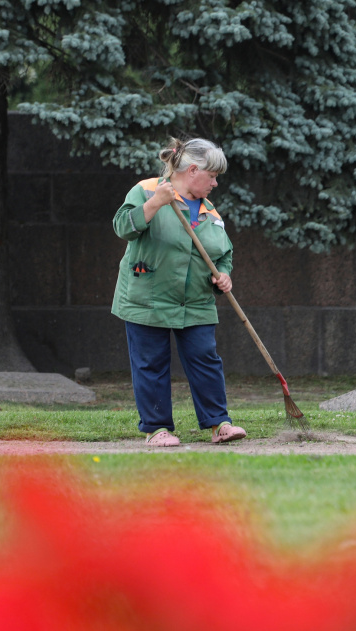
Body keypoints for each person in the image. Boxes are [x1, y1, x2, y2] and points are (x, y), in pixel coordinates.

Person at [111, 137, 248, 446]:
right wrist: (154, 203)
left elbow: (223, 253)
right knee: (151, 362)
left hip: (195, 301)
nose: (215, 183)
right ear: (193, 170)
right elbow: (122, 227)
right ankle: (156, 430)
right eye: (212, 176)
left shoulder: (210, 212)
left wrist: (224, 274)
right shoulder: (148, 190)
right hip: (147, 296)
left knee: (205, 358)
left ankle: (219, 424)